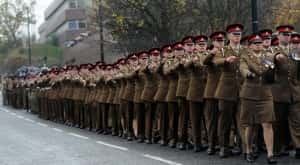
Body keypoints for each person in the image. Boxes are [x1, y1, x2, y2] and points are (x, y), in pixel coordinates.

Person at [239, 34, 277, 164]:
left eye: (259, 42)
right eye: (255, 43)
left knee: (267, 123)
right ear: (249, 45)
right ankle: (248, 150)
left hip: (265, 94)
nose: (258, 45)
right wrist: (247, 73)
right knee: (250, 124)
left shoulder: (269, 55)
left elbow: (272, 71)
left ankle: (270, 154)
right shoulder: (245, 56)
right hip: (249, 94)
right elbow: (242, 68)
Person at [203, 31, 226, 155]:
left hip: (225, 91)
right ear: (213, 42)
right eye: (218, 40)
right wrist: (212, 53)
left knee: (224, 120)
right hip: (212, 91)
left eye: (222, 40)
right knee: (212, 120)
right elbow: (204, 61)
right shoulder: (209, 53)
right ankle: (212, 145)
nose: (220, 42)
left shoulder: (227, 52)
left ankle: (223, 145)